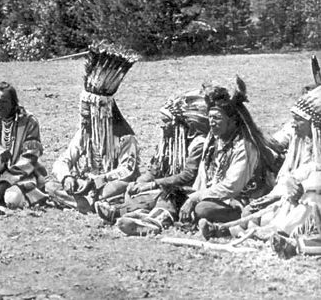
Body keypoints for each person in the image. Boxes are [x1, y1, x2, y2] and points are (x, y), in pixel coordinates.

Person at [200, 85, 321, 255]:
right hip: (290, 197)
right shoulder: (298, 135)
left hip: (312, 203)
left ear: (314, 122)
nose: (293, 124)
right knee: (263, 214)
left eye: (298, 120)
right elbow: (277, 147)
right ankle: (224, 230)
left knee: (303, 208)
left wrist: (303, 189)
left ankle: (286, 240)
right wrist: (248, 122)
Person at [96, 91, 209, 234]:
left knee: (165, 197)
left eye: (167, 123)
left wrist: (154, 184)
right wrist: (141, 181)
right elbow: (154, 169)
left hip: (186, 191)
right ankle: (136, 213)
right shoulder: (168, 142)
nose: (163, 127)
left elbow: (188, 175)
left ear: (182, 125)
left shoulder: (198, 144)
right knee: (132, 190)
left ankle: (148, 221)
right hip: (166, 186)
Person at [46, 44, 140, 213]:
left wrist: (98, 180)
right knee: (50, 185)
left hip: (107, 184)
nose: (85, 118)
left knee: (115, 189)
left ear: (102, 113)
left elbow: (127, 170)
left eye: (89, 114)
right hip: (85, 183)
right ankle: (89, 204)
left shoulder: (125, 137)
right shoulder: (85, 133)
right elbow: (63, 160)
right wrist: (67, 177)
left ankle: (88, 203)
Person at [178, 77, 276, 227]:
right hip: (213, 195)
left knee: (203, 209)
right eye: (210, 117)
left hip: (240, 200)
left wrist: (195, 198)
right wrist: (193, 195)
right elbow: (203, 176)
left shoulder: (245, 146)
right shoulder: (213, 139)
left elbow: (231, 187)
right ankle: (157, 218)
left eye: (217, 118)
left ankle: (228, 222)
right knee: (173, 194)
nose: (211, 122)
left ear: (233, 121)